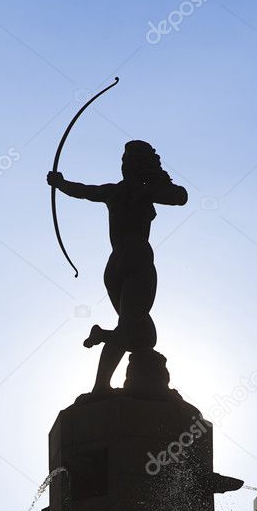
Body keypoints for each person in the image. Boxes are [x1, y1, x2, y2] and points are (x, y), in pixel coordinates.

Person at [47, 140, 187, 393]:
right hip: (136, 257)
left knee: (143, 335)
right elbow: (180, 196)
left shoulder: (113, 191)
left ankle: (102, 335)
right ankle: (100, 386)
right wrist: (153, 187)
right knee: (130, 327)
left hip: (114, 266)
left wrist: (61, 183)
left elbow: (83, 190)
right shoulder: (143, 190)